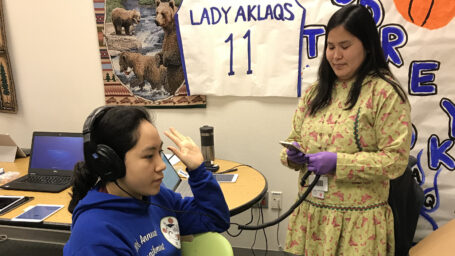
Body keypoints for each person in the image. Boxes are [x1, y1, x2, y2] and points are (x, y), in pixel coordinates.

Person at [280, 5, 411, 256]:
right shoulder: (316, 92)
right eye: (331, 46)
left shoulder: (385, 93)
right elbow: (294, 138)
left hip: (358, 227)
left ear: (368, 46)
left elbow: (395, 161)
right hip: (312, 215)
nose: (336, 55)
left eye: (345, 46)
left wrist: (339, 164)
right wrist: (292, 155)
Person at [64, 106, 230, 255]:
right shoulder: (95, 237)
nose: (161, 165)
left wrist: (198, 171)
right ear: (111, 163)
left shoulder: (158, 197)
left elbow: (215, 219)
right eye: (149, 156)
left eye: (160, 151)